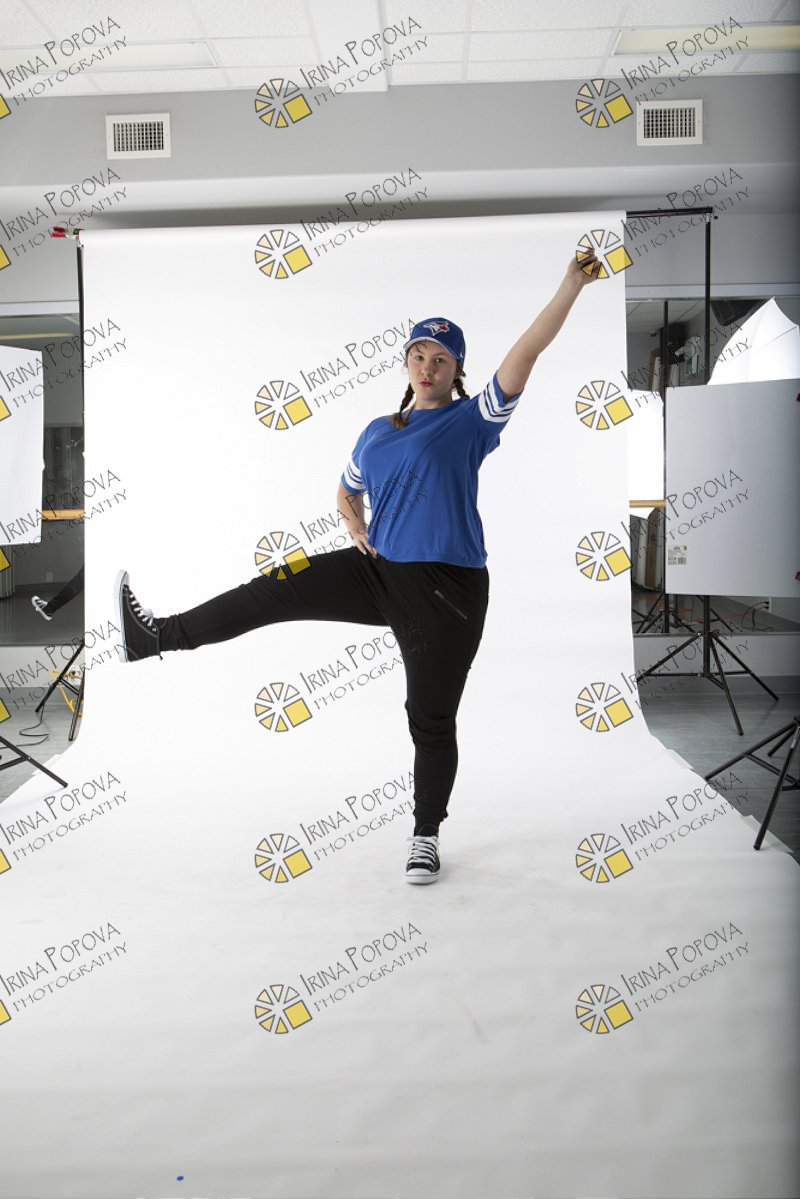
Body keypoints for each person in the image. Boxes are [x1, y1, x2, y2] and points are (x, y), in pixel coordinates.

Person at [114, 250, 601, 884]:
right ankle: (155, 637)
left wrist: (570, 285)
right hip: (378, 572)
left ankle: (425, 835)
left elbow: (527, 351)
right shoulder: (378, 429)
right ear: (407, 364)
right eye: (419, 355)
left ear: (457, 371)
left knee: (429, 717)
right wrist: (354, 524)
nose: (427, 367)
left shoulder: (473, 419)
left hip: (447, 590)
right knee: (273, 589)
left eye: (441, 359)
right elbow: (346, 488)